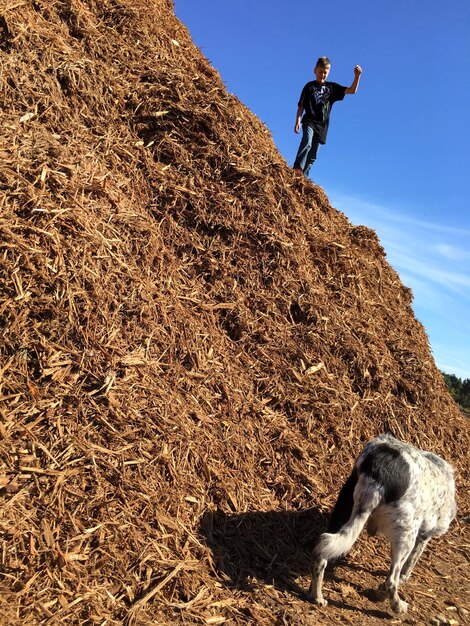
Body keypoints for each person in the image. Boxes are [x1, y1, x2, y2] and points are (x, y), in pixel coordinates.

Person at [293, 57, 362, 177]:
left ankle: (303, 178)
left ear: (329, 72)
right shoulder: (309, 86)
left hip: (322, 126)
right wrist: (298, 120)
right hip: (309, 121)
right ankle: (297, 168)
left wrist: (357, 76)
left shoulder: (332, 88)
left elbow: (352, 90)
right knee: (307, 142)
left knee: (313, 155)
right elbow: (301, 106)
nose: (322, 75)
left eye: (325, 72)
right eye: (320, 72)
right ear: (315, 70)